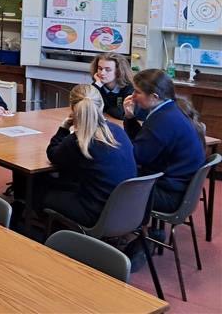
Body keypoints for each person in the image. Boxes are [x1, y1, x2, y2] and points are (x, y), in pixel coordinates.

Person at [42, 84, 137, 227]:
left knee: (41, 192)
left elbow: (53, 154)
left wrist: (63, 128)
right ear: (102, 104)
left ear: (73, 109)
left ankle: (49, 235)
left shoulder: (79, 140)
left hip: (95, 213)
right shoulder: (117, 131)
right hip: (127, 210)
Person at [122, 69, 206, 213]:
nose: (133, 96)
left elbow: (137, 156)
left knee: (109, 179)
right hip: (178, 188)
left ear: (154, 96)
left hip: (168, 194)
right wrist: (130, 118)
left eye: (137, 92)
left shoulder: (162, 120)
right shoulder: (171, 109)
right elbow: (145, 142)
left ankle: (114, 229)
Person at [90, 53, 134, 120]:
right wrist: (97, 85)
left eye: (108, 70)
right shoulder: (97, 85)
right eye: (100, 68)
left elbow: (121, 113)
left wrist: (104, 107)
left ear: (119, 72)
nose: (102, 73)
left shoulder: (129, 88)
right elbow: (85, 107)